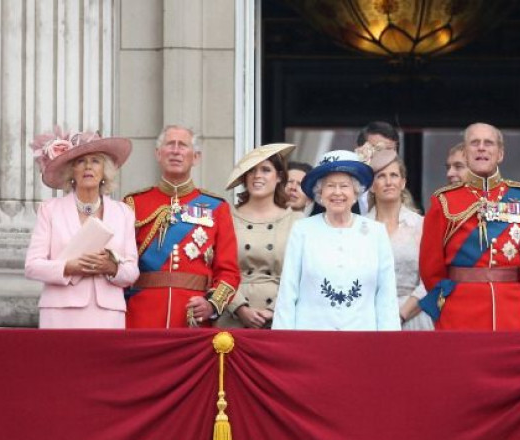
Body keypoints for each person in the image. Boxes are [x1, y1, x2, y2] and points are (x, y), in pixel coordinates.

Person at [419, 123, 520, 330]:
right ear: (466, 153)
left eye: (489, 143)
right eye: (474, 143)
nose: (481, 148)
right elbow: (430, 269)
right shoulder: (443, 201)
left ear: (500, 154)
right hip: (460, 312)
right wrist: (448, 305)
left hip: (513, 310)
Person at [123, 125, 240, 328]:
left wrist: (212, 304)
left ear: (196, 157)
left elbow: (229, 271)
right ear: (158, 154)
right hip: (142, 315)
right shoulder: (133, 203)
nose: (176, 151)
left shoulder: (217, 207)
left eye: (183, 145)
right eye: (170, 144)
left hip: (192, 316)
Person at [273, 150, 400, 331]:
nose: (337, 192)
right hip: (311, 338)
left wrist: (389, 343)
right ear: (320, 193)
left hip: (362, 337)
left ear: (356, 192)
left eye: (345, 186)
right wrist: (284, 343)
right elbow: (288, 291)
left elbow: (386, 295)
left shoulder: (376, 232)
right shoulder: (302, 230)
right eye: (330, 186)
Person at [25, 128, 139, 328]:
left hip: (108, 314)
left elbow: (132, 271)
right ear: (71, 172)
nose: (88, 167)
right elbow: (32, 266)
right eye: (80, 161)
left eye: (95, 161)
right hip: (60, 312)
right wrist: (70, 267)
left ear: (105, 171)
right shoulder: (50, 210)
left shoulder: (123, 213)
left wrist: (111, 268)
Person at [216, 143, 303, 329]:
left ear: (279, 177)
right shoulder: (226, 216)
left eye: (265, 170)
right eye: (251, 171)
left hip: (280, 317)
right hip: (231, 317)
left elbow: (301, 275)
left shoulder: (296, 221)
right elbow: (215, 269)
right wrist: (239, 307)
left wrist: (273, 309)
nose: (257, 176)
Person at [367, 149, 432, 330]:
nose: (388, 182)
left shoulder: (421, 225)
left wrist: (401, 314)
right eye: (381, 176)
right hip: (369, 318)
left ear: (403, 182)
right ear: (372, 186)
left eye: (394, 175)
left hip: (413, 317)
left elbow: (429, 279)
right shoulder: (359, 227)